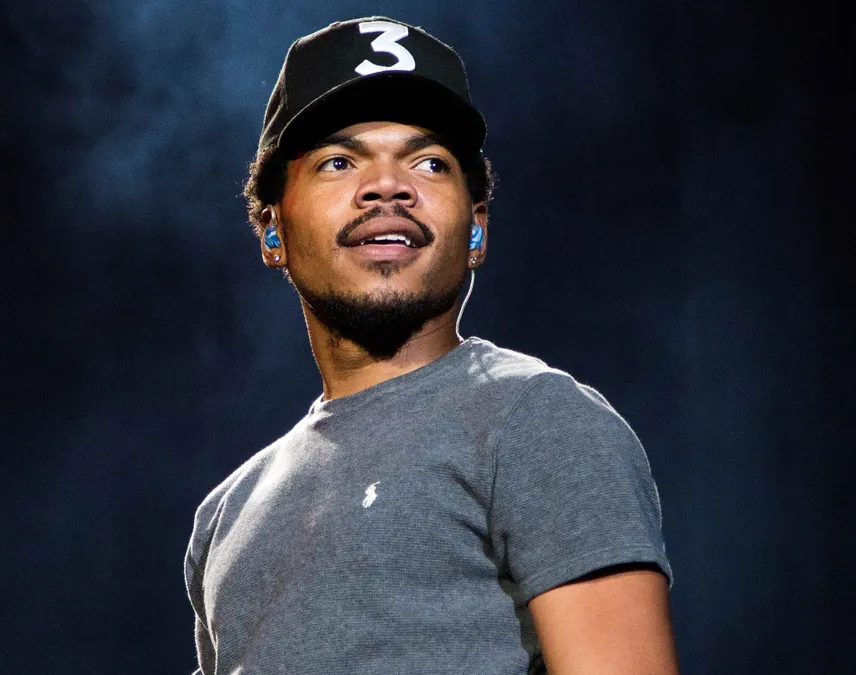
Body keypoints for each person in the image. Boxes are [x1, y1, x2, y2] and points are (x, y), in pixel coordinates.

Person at [185, 16, 678, 675]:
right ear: (272, 229)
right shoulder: (227, 512)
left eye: (429, 163)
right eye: (339, 162)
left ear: (476, 231)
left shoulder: (538, 420)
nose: (388, 185)